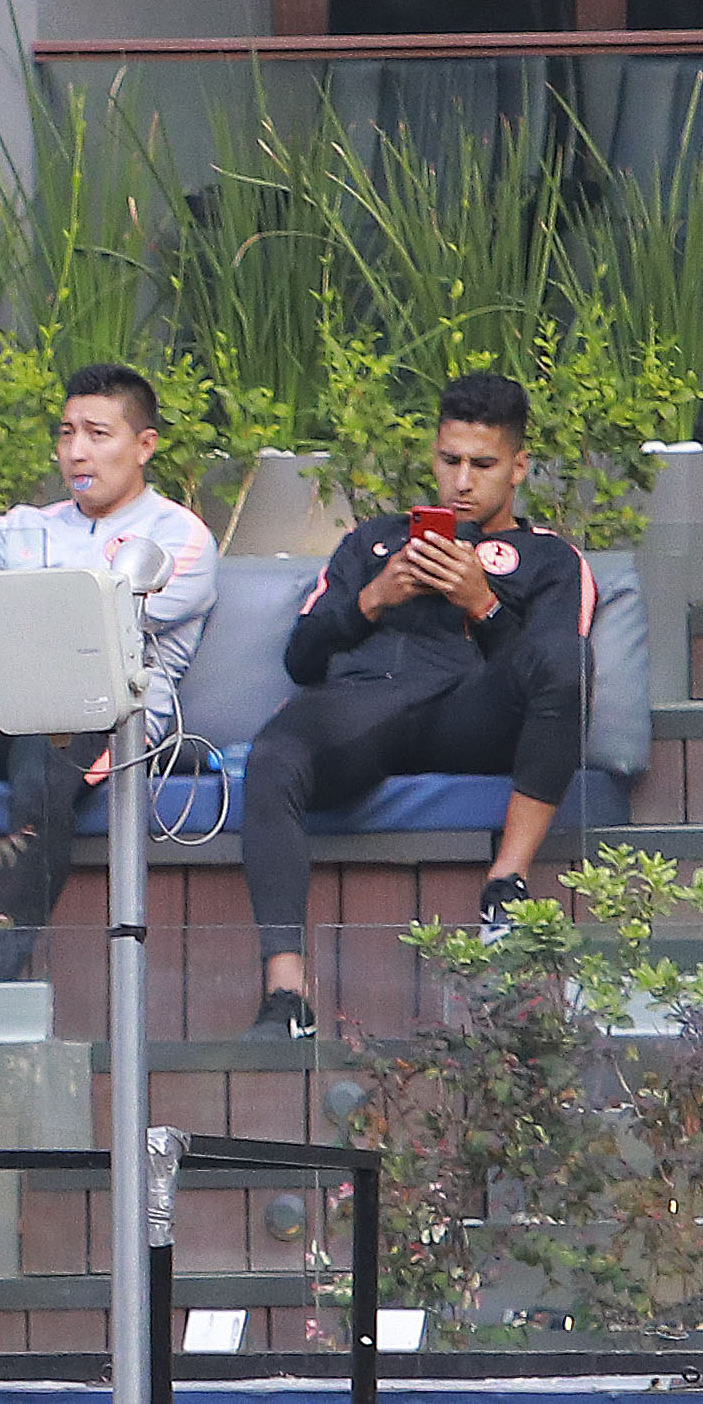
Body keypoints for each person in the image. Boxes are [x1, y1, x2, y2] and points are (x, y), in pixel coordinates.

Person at [244, 372, 587, 1038]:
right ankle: (286, 995)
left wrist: (482, 603)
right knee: (275, 751)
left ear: (518, 467)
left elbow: (555, 673)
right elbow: (301, 660)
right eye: (449, 460)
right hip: (361, 710)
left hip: (468, 713)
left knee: (568, 659)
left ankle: (506, 886)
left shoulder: (549, 558)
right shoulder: (375, 540)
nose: (462, 481)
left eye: (482, 465)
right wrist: (373, 598)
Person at [0, 363, 218, 978]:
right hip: (3, 718)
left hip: (107, 725)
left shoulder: (178, 536)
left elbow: (105, 626)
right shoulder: (24, 526)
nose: (76, 451)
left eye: (97, 434)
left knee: (45, 747)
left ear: (145, 446)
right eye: (66, 433)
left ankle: (2, 974)